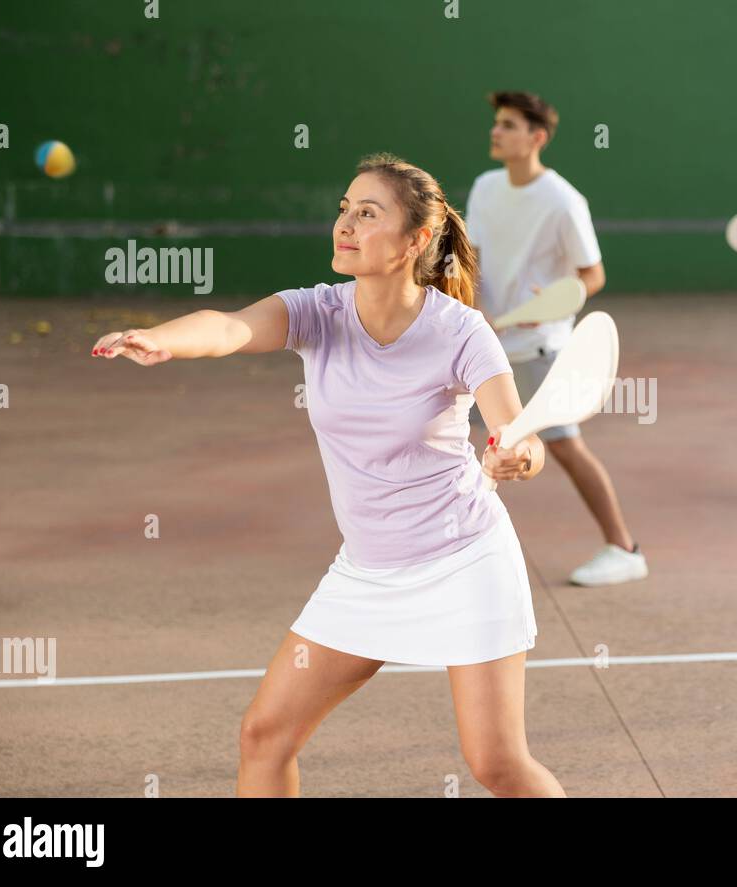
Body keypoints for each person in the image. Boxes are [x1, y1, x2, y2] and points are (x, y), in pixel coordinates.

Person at [91, 152, 566, 794]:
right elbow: (230, 327)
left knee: (496, 763)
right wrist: (163, 339)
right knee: (264, 737)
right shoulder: (318, 312)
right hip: (367, 572)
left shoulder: (461, 331)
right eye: (344, 208)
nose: (344, 224)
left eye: (367, 214)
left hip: (464, 561)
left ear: (416, 239)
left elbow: (520, 433)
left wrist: (517, 455)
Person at [466, 90, 648, 586]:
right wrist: (473, 309)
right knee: (471, 448)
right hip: (486, 347)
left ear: (536, 137)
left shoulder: (564, 201)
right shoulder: (485, 187)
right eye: (496, 123)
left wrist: (561, 298)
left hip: (541, 349)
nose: (496, 131)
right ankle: (459, 555)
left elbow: (593, 275)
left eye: (507, 125)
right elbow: (473, 259)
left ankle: (624, 548)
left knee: (564, 447)